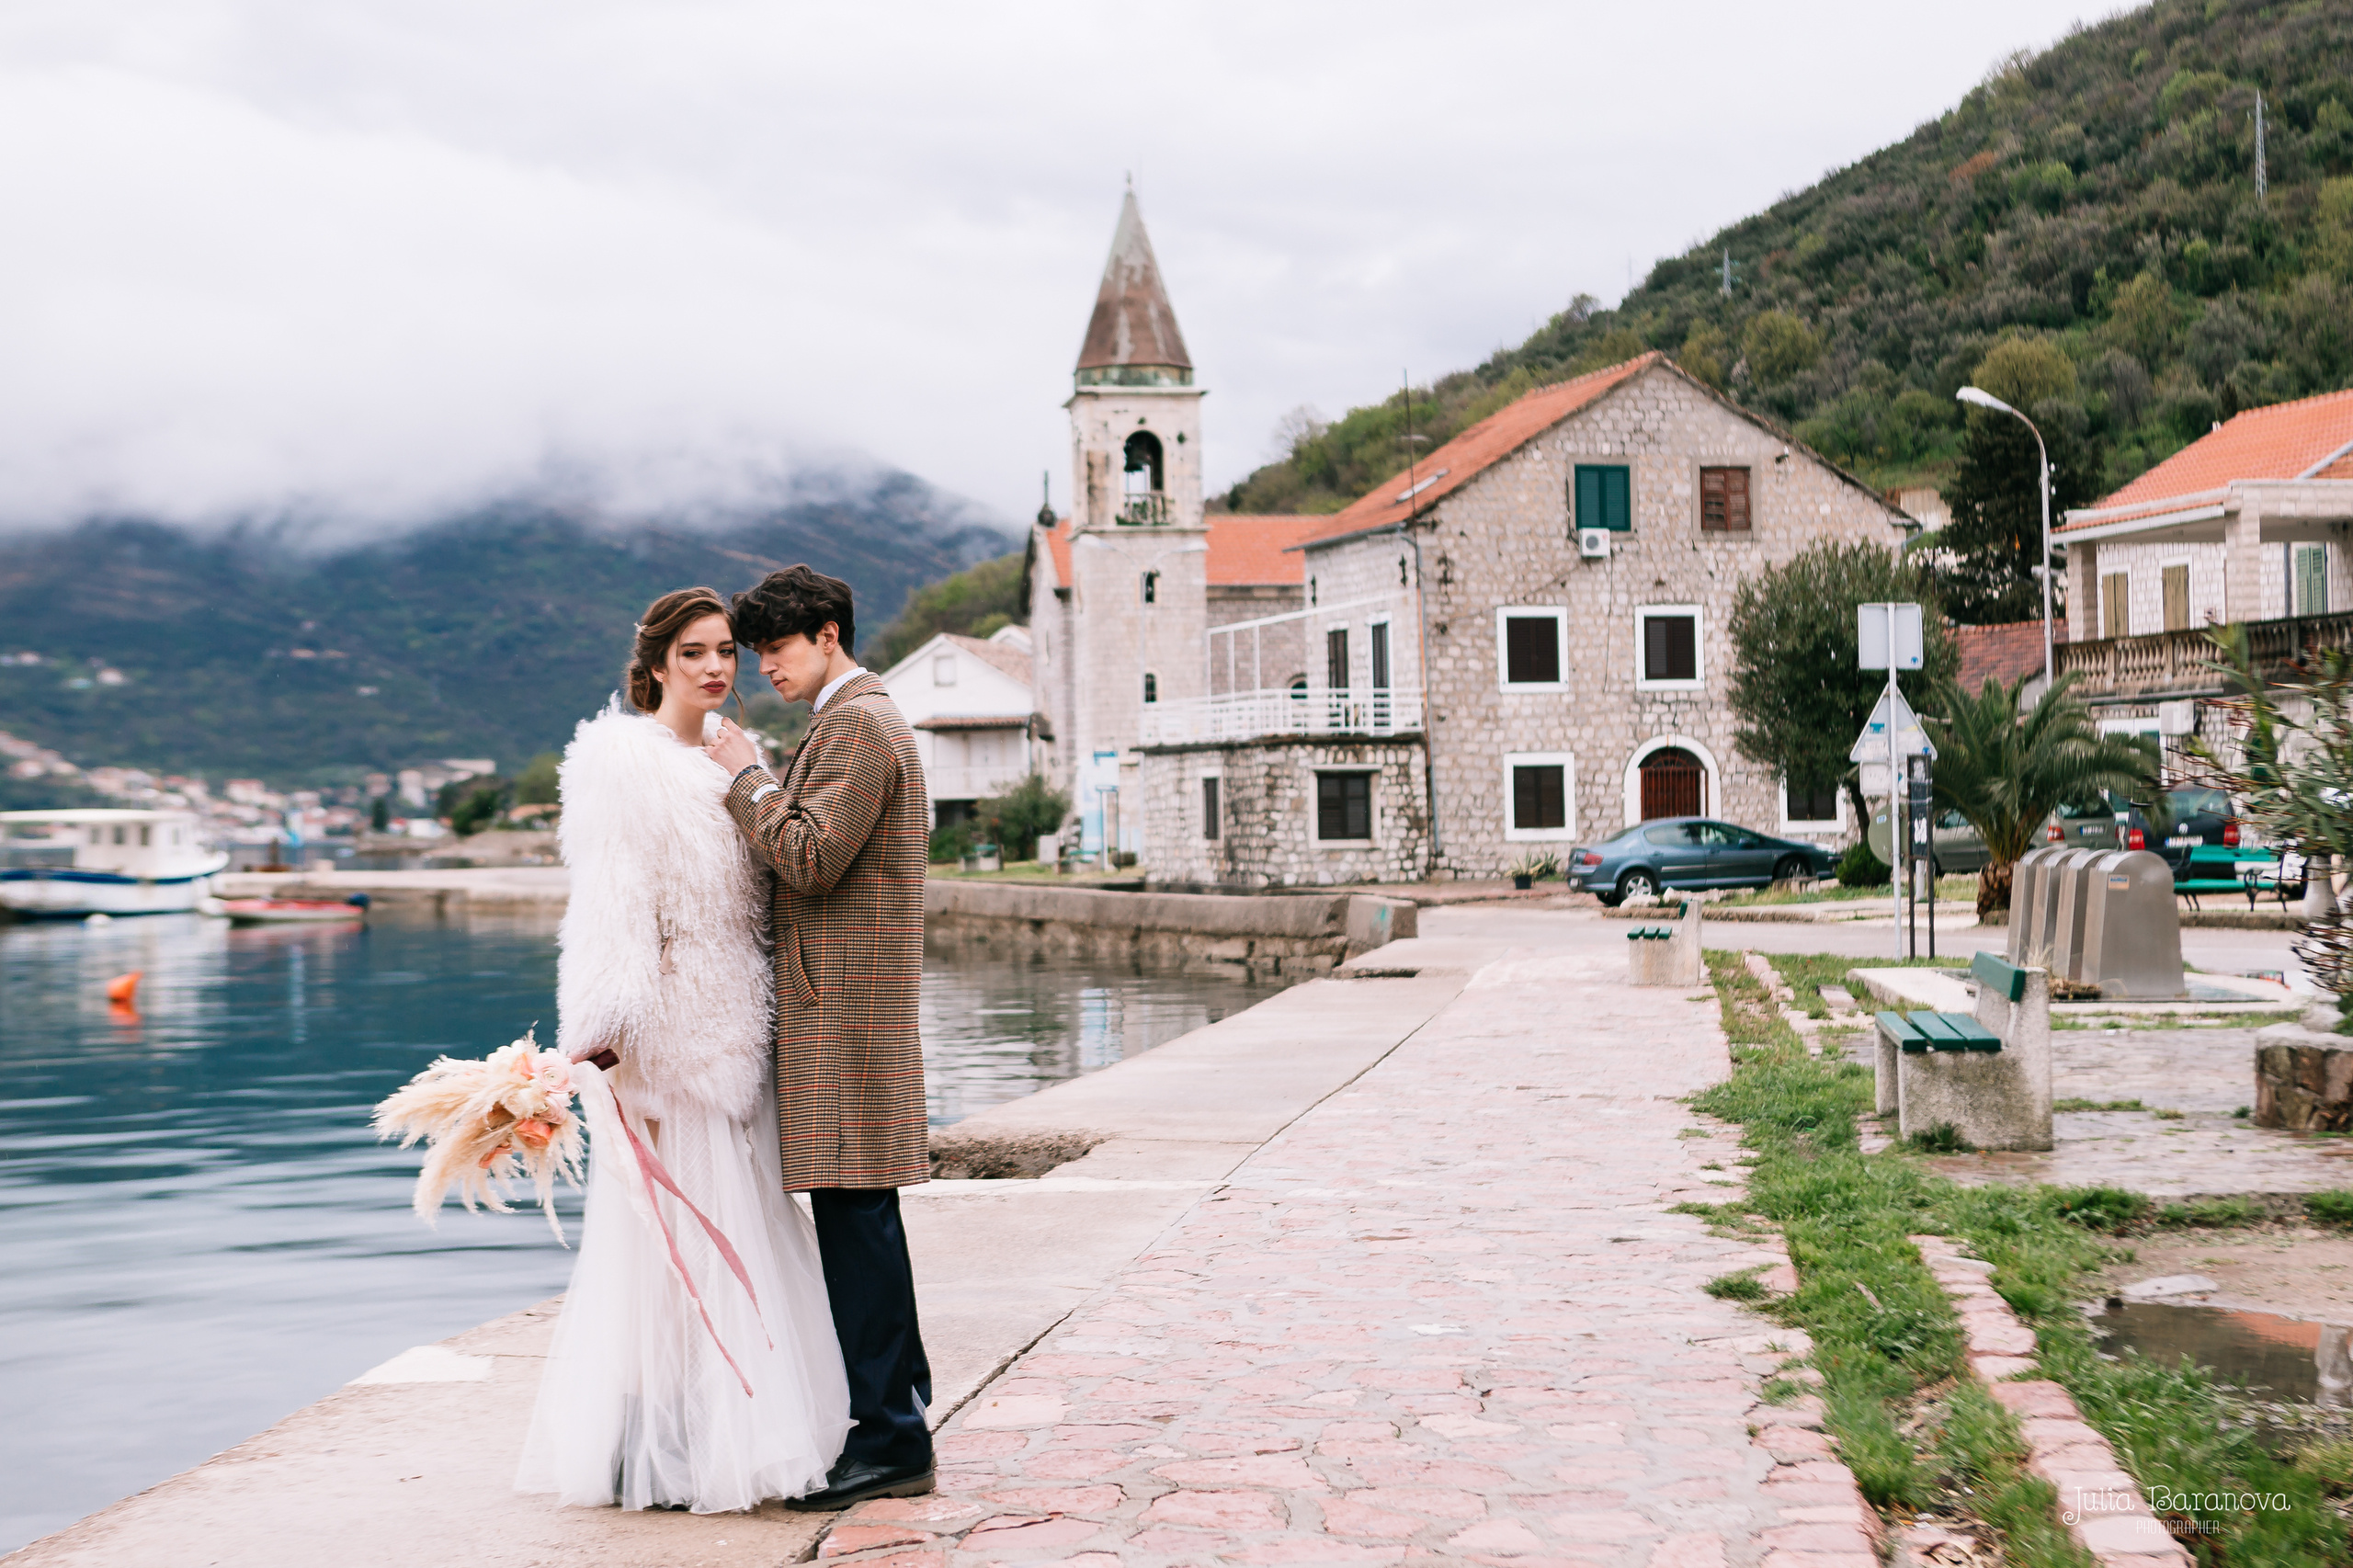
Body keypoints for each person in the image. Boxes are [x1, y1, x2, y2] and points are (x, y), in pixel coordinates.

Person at [516, 586, 851, 1513]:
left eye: (726, 653)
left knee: (750, 1230)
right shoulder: (621, 762)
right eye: (695, 652)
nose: (715, 667)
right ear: (657, 663)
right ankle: (659, 1446)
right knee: (670, 1251)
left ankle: (724, 1431)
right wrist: (604, 1029)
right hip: (664, 1036)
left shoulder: (732, 758)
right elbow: (612, 903)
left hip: (740, 1021)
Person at [702, 565, 937, 1511]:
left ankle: (890, 1438)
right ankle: (894, 1416)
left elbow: (805, 856)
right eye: (755, 651)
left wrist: (744, 776)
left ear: (828, 634)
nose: (764, 667)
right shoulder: (848, 719)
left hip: (846, 1013)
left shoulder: (861, 723)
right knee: (860, 1223)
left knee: (859, 1227)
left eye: (777, 648)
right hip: (839, 1007)